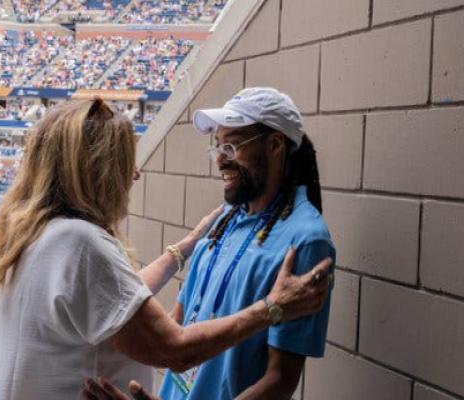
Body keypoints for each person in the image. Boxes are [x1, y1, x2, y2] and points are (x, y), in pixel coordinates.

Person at [0, 98, 332, 400]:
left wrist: (181, 250)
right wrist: (272, 308)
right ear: (93, 170)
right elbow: (173, 346)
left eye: (231, 145)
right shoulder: (79, 244)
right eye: (121, 162)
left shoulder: (35, 235)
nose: (134, 175)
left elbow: (114, 301)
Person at [83, 87, 335, 400]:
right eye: (217, 146)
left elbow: (280, 379)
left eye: (232, 145)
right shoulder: (223, 220)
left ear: (274, 145)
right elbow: (178, 325)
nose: (220, 159)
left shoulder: (306, 239)